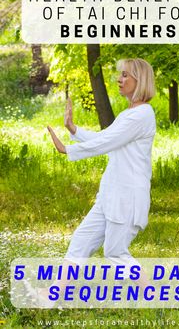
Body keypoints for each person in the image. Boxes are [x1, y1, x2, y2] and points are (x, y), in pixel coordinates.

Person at [27, 58, 156, 306]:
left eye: (126, 76)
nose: (119, 79)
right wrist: (73, 129)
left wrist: (69, 149)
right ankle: (50, 297)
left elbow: (105, 142)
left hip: (126, 198)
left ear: (140, 81)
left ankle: (152, 296)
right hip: (111, 195)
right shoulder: (131, 113)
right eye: (121, 75)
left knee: (115, 253)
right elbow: (108, 139)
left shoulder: (141, 115)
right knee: (80, 243)